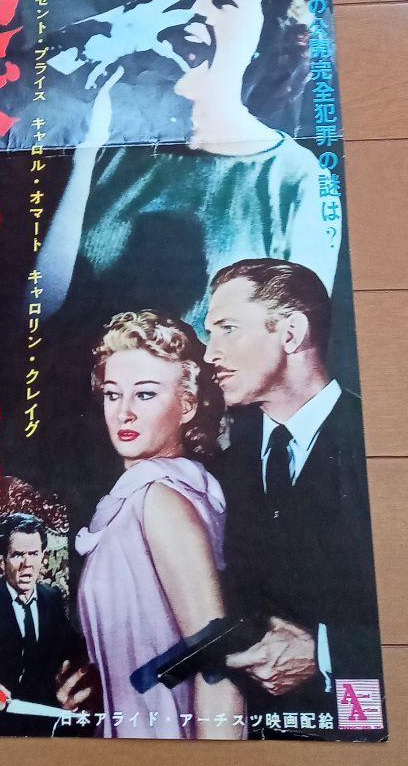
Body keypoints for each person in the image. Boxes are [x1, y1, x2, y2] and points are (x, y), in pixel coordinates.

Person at [36, 0, 337, 333]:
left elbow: (298, 347)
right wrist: (84, 154)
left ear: (268, 33)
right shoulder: (105, 140)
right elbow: (36, 311)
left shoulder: (297, 179)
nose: (193, 10)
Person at [203, 259, 383, 735]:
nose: (210, 353)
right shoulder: (218, 468)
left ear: (291, 333)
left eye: (227, 329)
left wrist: (325, 654)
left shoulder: (381, 446)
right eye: (210, 333)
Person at [74, 311, 243, 739]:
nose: (124, 413)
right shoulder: (136, 498)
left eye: (145, 394)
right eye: (113, 394)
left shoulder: (161, 500)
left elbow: (217, 666)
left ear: (187, 405)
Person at [0, 513, 96, 735]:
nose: (27, 564)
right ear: (2, 560)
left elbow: (73, 648)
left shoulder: (51, 597)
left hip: (45, 723)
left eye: (33, 554)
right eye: (17, 555)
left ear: (43, 556)